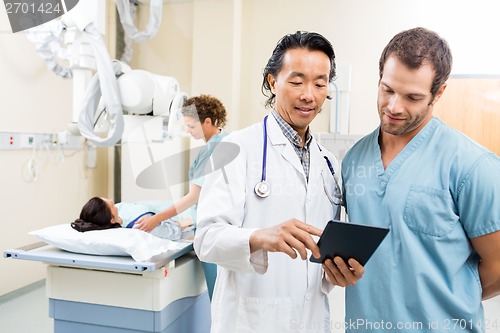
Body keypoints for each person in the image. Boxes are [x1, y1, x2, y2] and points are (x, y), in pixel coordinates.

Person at [193, 31, 365, 333]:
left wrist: (336, 272)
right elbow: (206, 240)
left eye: (320, 83)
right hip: (251, 321)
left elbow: (318, 255)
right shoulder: (236, 148)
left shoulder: (328, 163)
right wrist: (260, 237)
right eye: (297, 81)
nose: (308, 95)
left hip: (310, 319)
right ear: (273, 82)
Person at [341, 27, 500, 332]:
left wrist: (444, 298)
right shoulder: (354, 160)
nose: (394, 107)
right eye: (387, 90)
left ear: (438, 93)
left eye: (413, 97)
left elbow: (497, 267)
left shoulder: (472, 166)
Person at [133, 94, 228, 301]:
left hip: (215, 232)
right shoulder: (225, 140)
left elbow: (195, 196)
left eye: (191, 126)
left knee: (220, 298)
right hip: (215, 226)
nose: (188, 131)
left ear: (208, 121)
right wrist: (189, 221)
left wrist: (156, 219)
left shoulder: (213, 150)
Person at [71, 196, 192, 240]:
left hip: (177, 203)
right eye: (111, 205)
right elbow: (175, 231)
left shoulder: (120, 209)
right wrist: (193, 220)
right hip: (186, 213)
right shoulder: (140, 226)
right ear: (111, 220)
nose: (113, 201)